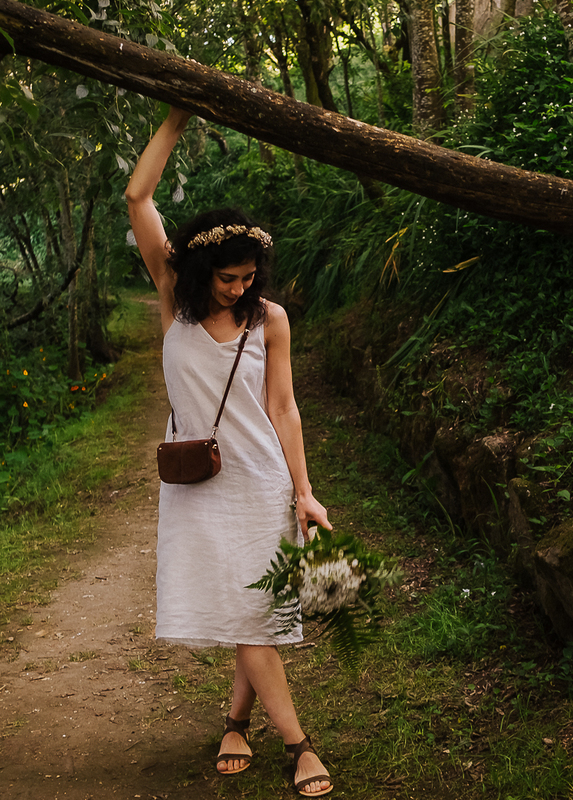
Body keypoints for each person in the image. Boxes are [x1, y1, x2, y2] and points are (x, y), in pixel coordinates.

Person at [126, 106, 333, 798]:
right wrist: (177, 118)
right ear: (199, 270)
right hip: (197, 484)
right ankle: (277, 737)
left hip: (259, 480)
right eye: (228, 279)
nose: (241, 289)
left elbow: (283, 408)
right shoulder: (174, 302)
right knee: (246, 612)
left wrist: (304, 491)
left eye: (249, 277)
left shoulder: (270, 319)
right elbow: (138, 198)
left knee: (255, 613)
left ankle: (262, 733)